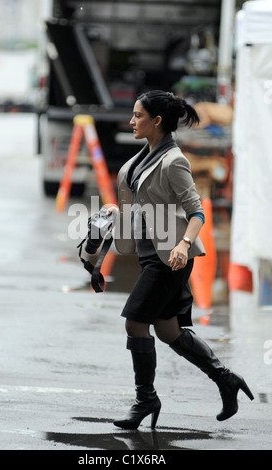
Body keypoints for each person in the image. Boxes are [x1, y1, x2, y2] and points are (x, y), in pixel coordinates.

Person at [107, 90, 254, 430]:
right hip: (151, 255)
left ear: (156, 121)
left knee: (135, 323)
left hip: (170, 258)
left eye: (138, 116)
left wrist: (184, 244)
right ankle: (225, 379)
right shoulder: (142, 158)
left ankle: (146, 400)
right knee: (168, 329)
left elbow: (196, 211)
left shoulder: (174, 161)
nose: (131, 121)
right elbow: (137, 210)